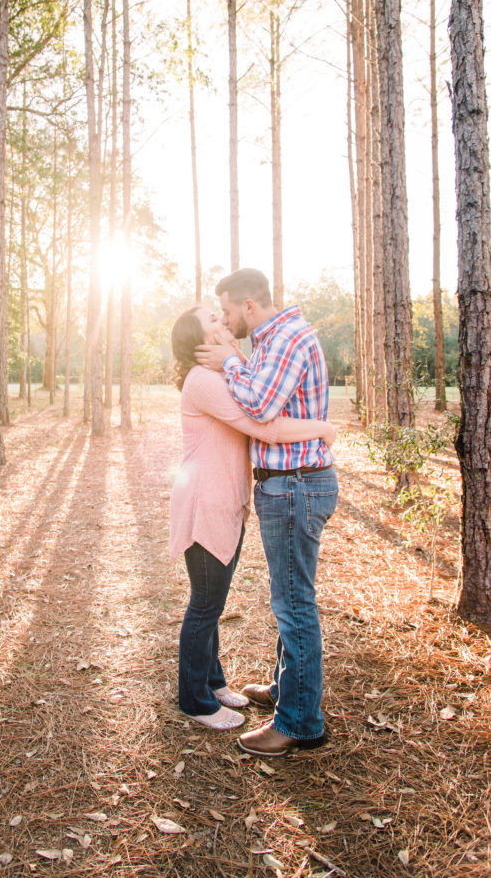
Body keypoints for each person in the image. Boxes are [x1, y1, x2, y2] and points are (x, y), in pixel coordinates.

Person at [170, 305, 336, 731]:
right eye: (214, 322)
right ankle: (195, 701)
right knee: (205, 605)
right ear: (200, 342)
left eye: (222, 319)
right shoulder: (203, 381)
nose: (224, 323)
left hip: (226, 502)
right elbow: (263, 425)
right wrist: (320, 428)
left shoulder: (226, 376)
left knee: (214, 601)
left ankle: (213, 682)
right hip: (205, 504)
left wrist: (235, 360)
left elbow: (255, 392)